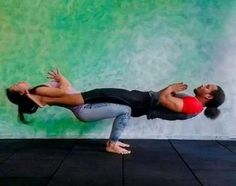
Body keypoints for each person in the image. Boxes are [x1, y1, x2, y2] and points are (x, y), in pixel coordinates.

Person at [6, 70, 225, 154]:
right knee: (116, 103)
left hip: (85, 105)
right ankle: (112, 143)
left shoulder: (194, 106)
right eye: (17, 84)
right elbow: (65, 91)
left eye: (208, 86)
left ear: (208, 97)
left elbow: (164, 100)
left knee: (122, 106)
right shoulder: (37, 89)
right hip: (84, 106)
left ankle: (113, 142)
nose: (205, 84)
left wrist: (169, 89)